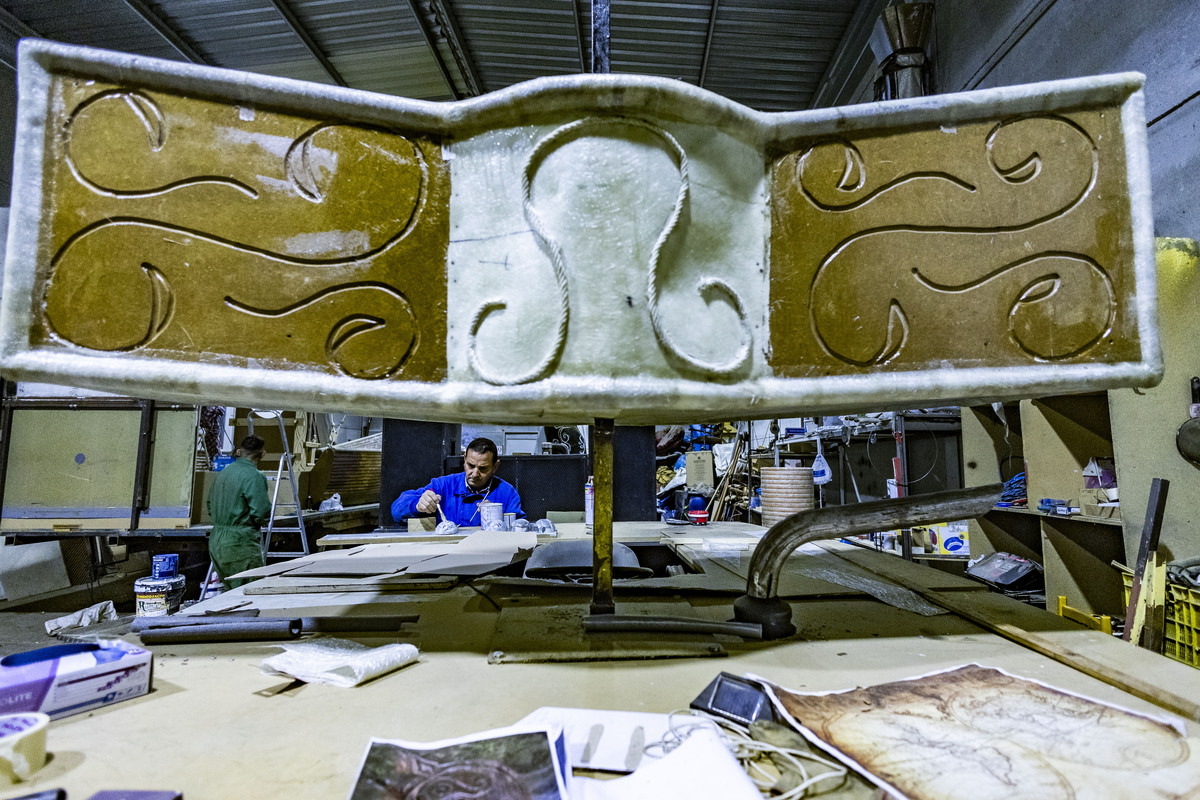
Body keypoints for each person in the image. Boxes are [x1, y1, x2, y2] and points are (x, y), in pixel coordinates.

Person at [391, 437, 524, 528]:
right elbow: (396, 509)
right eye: (471, 466)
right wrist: (417, 505)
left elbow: (520, 528)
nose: (475, 473)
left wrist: (497, 518)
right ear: (464, 459)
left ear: (495, 466)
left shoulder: (507, 493)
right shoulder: (443, 485)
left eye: (483, 468)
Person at [207, 434, 271, 588]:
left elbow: (209, 505)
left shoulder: (223, 474)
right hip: (240, 544)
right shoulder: (253, 476)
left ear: (238, 451)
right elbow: (261, 511)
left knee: (230, 592)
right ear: (262, 454)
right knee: (249, 593)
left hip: (217, 541)